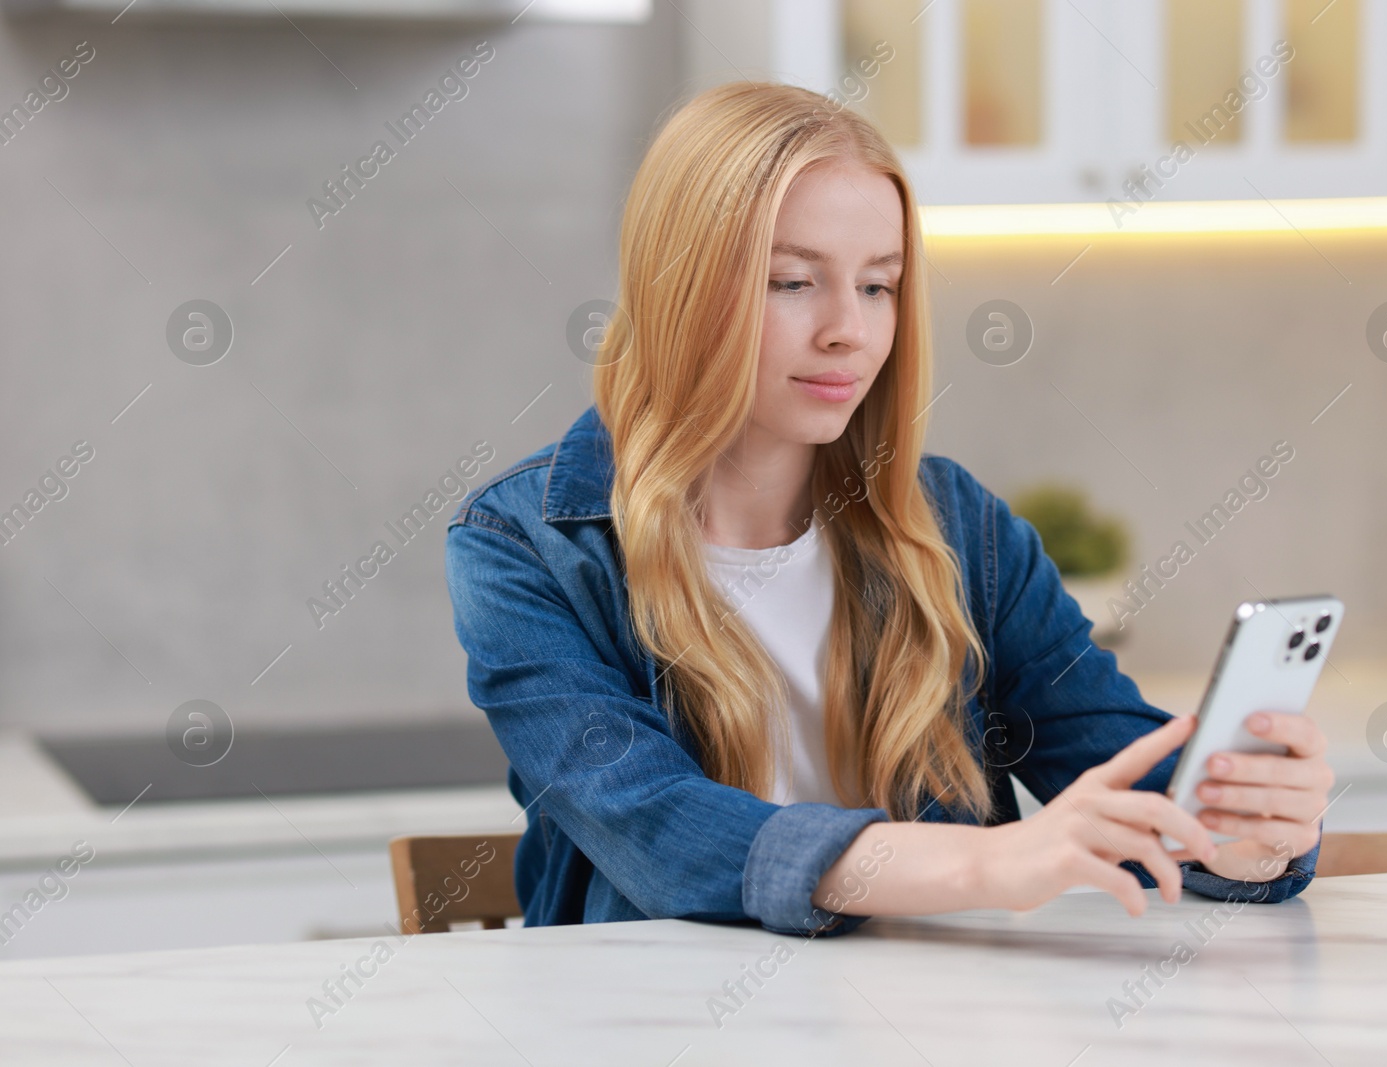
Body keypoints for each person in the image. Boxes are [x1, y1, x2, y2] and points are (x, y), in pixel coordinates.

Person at [444, 81, 1332, 938]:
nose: (851, 330)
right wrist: (988, 864)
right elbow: (660, 829)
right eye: (793, 282)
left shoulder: (960, 529)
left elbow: (1121, 782)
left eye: (878, 285)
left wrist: (1250, 838)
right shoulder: (524, 548)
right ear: (679, 291)